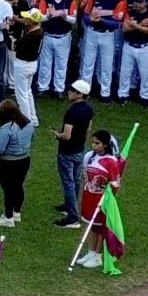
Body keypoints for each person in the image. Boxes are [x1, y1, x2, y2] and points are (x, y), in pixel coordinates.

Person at [72, 128, 125, 271]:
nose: (94, 146)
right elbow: (85, 174)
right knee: (91, 225)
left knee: (101, 227)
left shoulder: (111, 162)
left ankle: (98, 256)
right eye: (93, 143)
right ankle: (91, 251)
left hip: (102, 199)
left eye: (98, 143)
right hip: (89, 195)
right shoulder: (89, 156)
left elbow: (115, 184)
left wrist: (107, 198)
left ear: (106, 145)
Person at [54, 80, 96, 228]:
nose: (69, 92)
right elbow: (87, 130)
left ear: (79, 94)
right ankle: (68, 206)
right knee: (76, 181)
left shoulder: (72, 112)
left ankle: (72, 217)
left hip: (67, 152)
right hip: (79, 149)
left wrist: (56, 135)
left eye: (72, 90)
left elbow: (66, 135)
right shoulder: (89, 109)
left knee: (68, 183)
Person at [0, 94, 33, 228]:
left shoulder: (6, 129)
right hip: (24, 159)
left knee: (8, 189)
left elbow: (0, 149)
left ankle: (8, 218)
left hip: (8, 163)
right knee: (18, 186)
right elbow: (32, 139)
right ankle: (16, 213)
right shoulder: (28, 123)